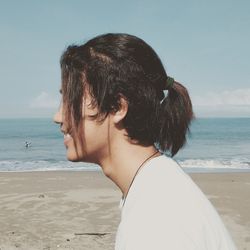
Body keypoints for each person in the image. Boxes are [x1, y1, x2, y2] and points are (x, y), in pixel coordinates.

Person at [54, 33, 236, 249]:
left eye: (69, 99)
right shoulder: (157, 187)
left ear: (117, 108)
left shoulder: (154, 221)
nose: (57, 116)